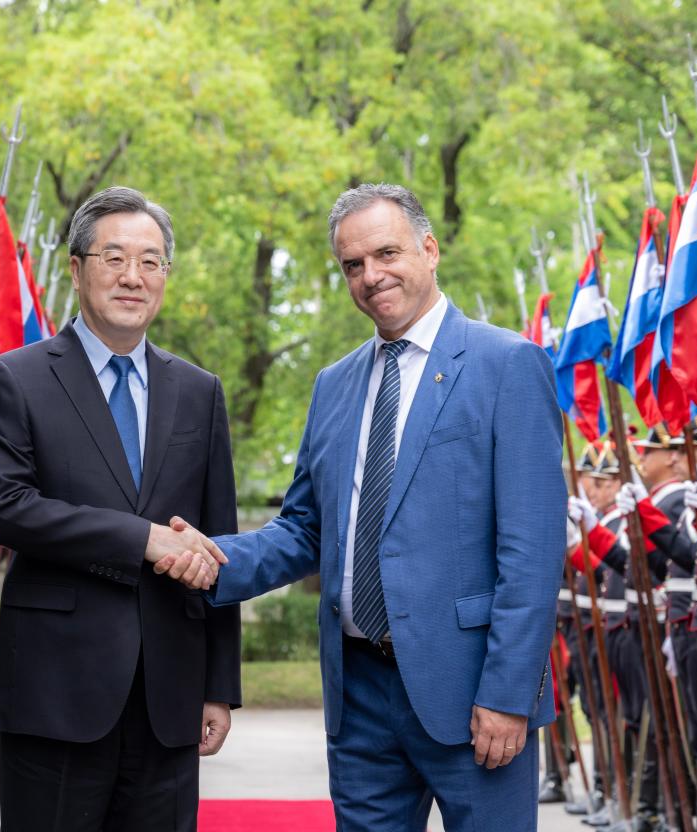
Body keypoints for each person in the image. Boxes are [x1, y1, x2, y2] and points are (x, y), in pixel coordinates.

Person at [190, 184, 565, 830]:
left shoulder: (508, 364)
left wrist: (508, 695)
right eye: (353, 265)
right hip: (358, 696)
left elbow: (531, 552)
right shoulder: (333, 385)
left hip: (473, 694)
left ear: (430, 249)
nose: (371, 276)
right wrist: (204, 558)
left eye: (387, 254)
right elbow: (306, 530)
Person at [0, 186, 242, 832]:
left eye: (151, 262)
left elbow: (219, 541)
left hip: (170, 695)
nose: (133, 277)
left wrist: (219, 684)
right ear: (76, 269)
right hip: (55, 691)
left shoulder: (199, 391)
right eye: (114, 258)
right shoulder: (15, 378)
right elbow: (9, 509)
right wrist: (142, 539)